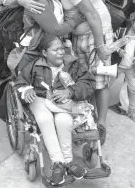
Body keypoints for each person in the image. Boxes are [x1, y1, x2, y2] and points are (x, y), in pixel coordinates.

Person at [15, 35, 92, 185]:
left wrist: (70, 92)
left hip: (62, 102)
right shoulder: (34, 66)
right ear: (44, 53)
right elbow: (20, 83)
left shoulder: (72, 64)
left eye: (62, 48)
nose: (61, 52)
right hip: (40, 99)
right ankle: (58, 163)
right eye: (55, 50)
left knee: (64, 120)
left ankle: (68, 163)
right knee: (45, 119)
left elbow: (87, 82)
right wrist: (26, 90)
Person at [60, 0, 113, 145]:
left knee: (100, 80)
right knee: (83, 79)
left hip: (97, 35)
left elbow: (92, 15)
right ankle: (88, 118)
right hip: (78, 37)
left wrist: (100, 46)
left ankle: (101, 124)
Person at [17, 0, 84, 71]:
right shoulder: (40, 1)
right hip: (38, 51)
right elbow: (55, 29)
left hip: (48, 47)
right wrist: (75, 20)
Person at [112, 13, 135, 122]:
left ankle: (131, 110)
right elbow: (112, 43)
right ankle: (98, 105)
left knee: (134, 90)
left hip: (131, 67)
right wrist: (119, 50)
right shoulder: (121, 31)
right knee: (106, 85)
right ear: (132, 21)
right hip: (117, 65)